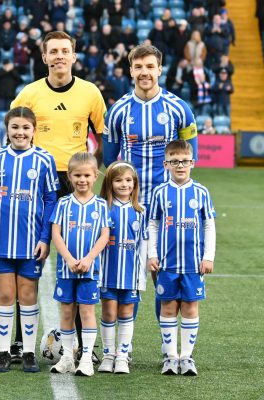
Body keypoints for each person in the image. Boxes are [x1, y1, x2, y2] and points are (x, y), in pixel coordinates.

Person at [11, 30, 106, 361]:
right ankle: (20, 342)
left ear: (74, 56)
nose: (60, 56)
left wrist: (93, 173)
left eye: (65, 50)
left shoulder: (90, 93)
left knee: (77, 261)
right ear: (44, 57)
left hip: (74, 182)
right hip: (37, 181)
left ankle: (80, 344)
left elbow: (103, 136)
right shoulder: (29, 93)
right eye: (53, 51)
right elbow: (14, 134)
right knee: (27, 259)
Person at [103, 44, 198, 325]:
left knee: (163, 274)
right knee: (126, 275)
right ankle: (124, 344)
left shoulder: (180, 108)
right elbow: (109, 161)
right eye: (138, 67)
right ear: (131, 71)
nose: (144, 72)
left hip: (166, 204)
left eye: (149, 67)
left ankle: (167, 341)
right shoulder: (118, 111)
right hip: (129, 205)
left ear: (160, 69)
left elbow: (189, 157)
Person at [0, 107, 59, 373]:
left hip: (31, 242)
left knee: (28, 295)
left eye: (25, 128)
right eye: (15, 127)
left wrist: (45, 237)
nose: (20, 132)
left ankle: (28, 353)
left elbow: (50, 200)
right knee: (6, 294)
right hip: (1, 240)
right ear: (7, 130)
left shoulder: (44, 159)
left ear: (34, 130)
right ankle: (3, 353)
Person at [148, 139, 216, 376]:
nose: (180, 165)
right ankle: (170, 357)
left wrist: (208, 256)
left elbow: (209, 226)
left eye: (185, 161)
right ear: (166, 164)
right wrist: (152, 254)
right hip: (166, 264)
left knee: (190, 307)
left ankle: (186, 357)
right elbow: (153, 225)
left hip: (193, 264)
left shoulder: (201, 192)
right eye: (175, 161)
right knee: (167, 307)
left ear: (193, 163)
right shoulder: (159, 192)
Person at [49, 152, 110, 377]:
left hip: (89, 270)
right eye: (77, 175)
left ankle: (85, 358)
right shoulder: (63, 203)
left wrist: (89, 258)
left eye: (86, 175)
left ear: (95, 176)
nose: (82, 180)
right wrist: (68, 258)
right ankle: (67, 357)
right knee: (67, 311)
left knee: (86, 311)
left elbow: (104, 235)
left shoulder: (101, 205)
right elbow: (56, 233)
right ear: (69, 177)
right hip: (67, 269)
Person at [98, 161, 147, 374]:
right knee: (109, 312)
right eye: (118, 180)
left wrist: (141, 277)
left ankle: (122, 356)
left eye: (128, 180)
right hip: (107, 273)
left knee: (126, 313)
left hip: (130, 274)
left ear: (134, 183)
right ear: (109, 183)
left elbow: (143, 246)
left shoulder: (141, 211)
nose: (124, 184)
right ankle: (108, 355)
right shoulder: (102, 208)